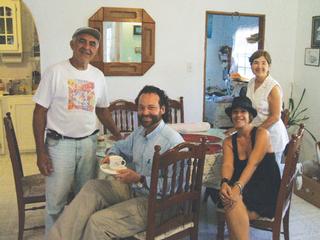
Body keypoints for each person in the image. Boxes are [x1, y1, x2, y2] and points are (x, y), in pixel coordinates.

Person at [47, 85, 184, 240]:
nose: (145, 113)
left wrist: (140, 179)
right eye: (141, 108)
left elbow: (176, 187)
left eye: (151, 108)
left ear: (162, 110)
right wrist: (112, 156)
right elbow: (119, 146)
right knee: (92, 188)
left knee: (97, 223)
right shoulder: (140, 132)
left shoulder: (173, 141)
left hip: (159, 205)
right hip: (134, 191)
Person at [32, 27, 122, 233]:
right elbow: (39, 112)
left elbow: (103, 110)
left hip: (89, 145)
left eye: (92, 44)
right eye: (82, 42)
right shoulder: (55, 72)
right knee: (56, 202)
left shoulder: (98, 76)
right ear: (72, 45)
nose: (87, 47)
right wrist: (40, 151)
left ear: (97, 49)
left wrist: (118, 135)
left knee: (85, 199)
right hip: (59, 146)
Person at [220, 96, 281, 240]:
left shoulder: (262, 134)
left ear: (250, 116)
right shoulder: (228, 141)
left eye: (243, 111)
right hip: (247, 185)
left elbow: (252, 163)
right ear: (231, 116)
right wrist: (224, 182)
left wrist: (237, 187)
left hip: (266, 187)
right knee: (230, 199)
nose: (238, 115)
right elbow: (227, 165)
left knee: (231, 204)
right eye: (235, 112)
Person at [246, 50, 288, 175]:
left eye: (263, 63)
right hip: (257, 132)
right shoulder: (251, 82)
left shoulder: (273, 87)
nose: (259, 66)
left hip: (272, 136)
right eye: (255, 62)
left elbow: (275, 117)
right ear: (251, 65)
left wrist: (255, 131)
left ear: (269, 66)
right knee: (257, 170)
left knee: (271, 174)